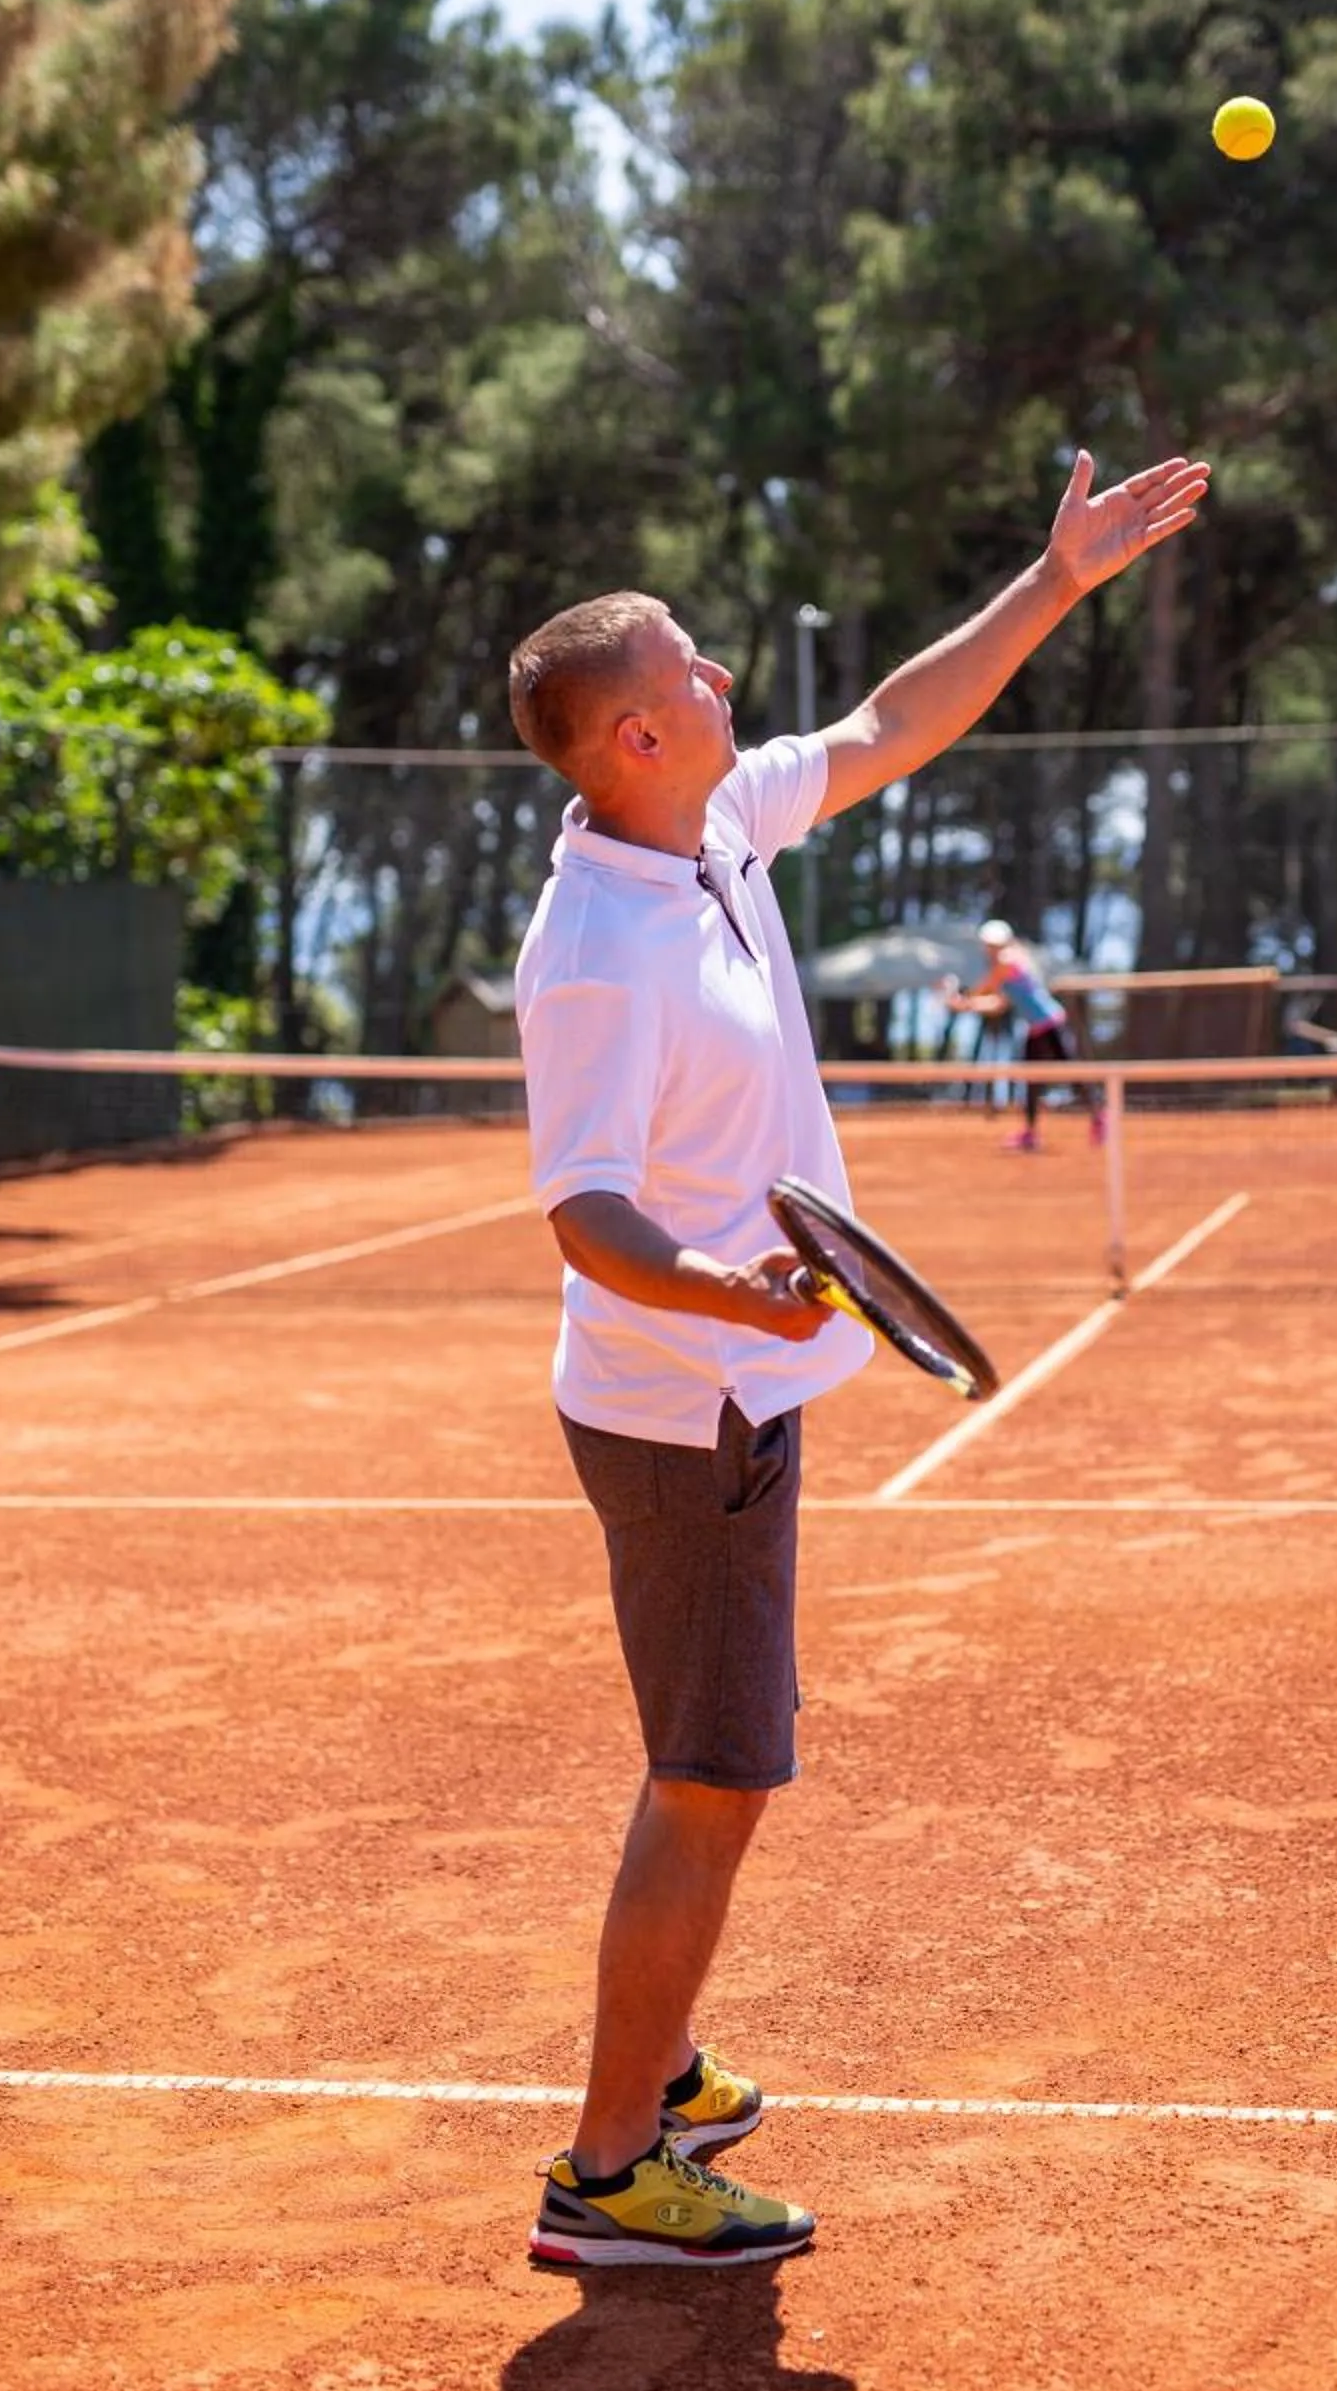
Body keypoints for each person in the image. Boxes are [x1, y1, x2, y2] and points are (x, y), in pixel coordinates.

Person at [508, 445, 1209, 2268]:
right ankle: (608, 2174)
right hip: (688, 1408)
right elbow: (585, 1214)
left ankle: (653, 2080)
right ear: (630, 741)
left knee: (708, 1756)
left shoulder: (715, 826)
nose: (726, 679)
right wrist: (736, 1300)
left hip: (734, 1384)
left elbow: (899, 721)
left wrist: (1054, 583)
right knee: (716, 1777)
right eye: (691, 673)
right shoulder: (596, 945)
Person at [944, 920, 1103, 1153]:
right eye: (989, 944)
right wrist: (968, 1006)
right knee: (1031, 1083)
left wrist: (964, 998)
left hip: (1051, 1025)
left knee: (1072, 1075)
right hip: (1036, 1029)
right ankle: (1030, 1133)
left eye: (994, 943)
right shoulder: (1004, 969)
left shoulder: (1009, 960)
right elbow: (997, 1004)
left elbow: (987, 986)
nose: (991, 948)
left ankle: (1099, 1117)